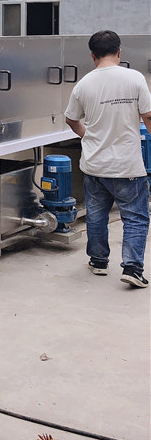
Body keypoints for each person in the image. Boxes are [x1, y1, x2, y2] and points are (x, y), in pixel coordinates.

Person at [64, 30, 151, 288]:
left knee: (96, 216)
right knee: (135, 217)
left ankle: (99, 262)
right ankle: (132, 268)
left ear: (92, 55)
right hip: (127, 166)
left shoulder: (83, 84)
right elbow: (148, 116)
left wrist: (87, 136)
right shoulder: (135, 78)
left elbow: (70, 119)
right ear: (119, 52)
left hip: (95, 165)